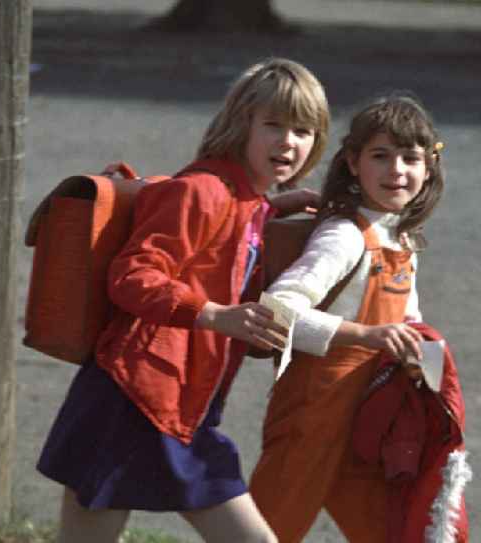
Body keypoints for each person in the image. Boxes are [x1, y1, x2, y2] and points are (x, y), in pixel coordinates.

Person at [36, 57, 330, 543]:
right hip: (129, 397)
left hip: (178, 405)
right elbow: (132, 276)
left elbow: (218, 238)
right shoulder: (201, 192)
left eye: (303, 130)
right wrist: (215, 315)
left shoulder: (244, 199)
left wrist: (270, 207)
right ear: (242, 126)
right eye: (274, 125)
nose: (289, 141)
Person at [250, 92, 453, 542]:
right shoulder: (344, 236)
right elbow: (278, 311)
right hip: (311, 412)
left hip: (367, 421)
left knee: (391, 532)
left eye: (409, 158)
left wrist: (424, 364)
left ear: (429, 168)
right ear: (353, 162)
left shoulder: (401, 238)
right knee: (269, 532)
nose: (396, 170)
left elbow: (407, 321)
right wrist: (367, 334)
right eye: (381, 156)